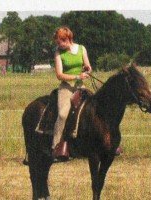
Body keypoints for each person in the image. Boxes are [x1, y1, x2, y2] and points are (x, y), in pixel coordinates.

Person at [52, 26, 92, 158]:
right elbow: (59, 75)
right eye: (57, 43)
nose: (58, 45)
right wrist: (76, 77)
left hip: (81, 86)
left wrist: (87, 69)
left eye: (59, 42)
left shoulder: (82, 48)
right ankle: (56, 147)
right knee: (63, 114)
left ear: (67, 39)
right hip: (66, 87)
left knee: (96, 108)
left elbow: (88, 67)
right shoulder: (58, 53)